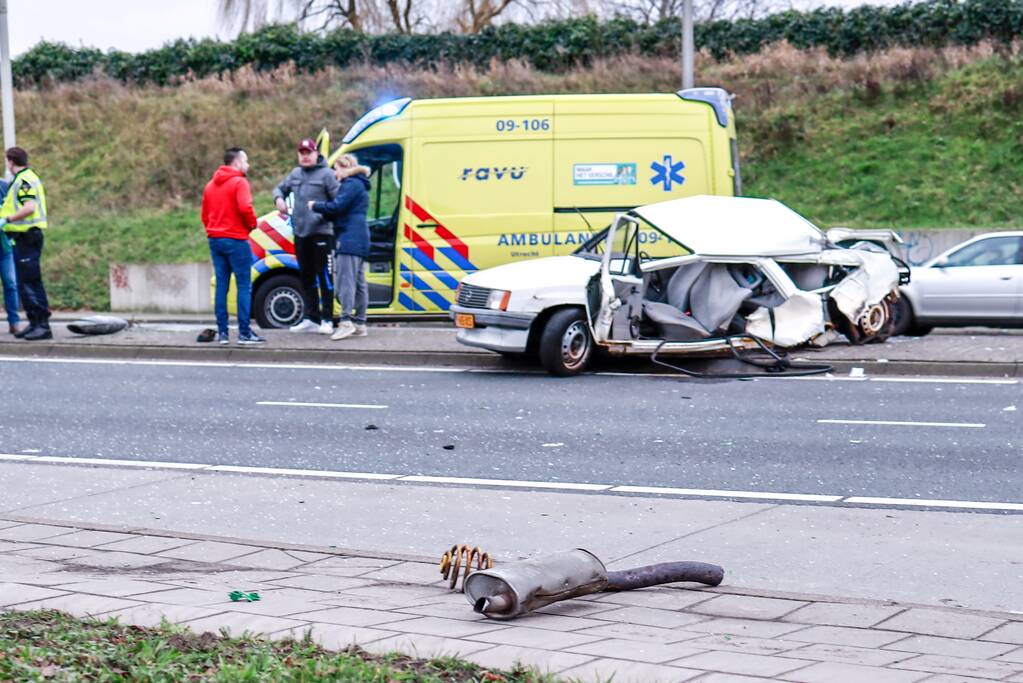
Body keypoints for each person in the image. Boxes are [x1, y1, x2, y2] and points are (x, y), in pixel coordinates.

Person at [273, 138, 339, 335]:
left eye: (308, 152)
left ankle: (327, 318)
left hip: (322, 234)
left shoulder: (327, 174)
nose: (305, 156)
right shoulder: (295, 173)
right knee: (306, 277)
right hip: (301, 234)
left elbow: (339, 202)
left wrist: (322, 214)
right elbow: (279, 188)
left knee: (324, 277)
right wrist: (278, 198)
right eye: (302, 152)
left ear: (316, 153)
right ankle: (311, 317)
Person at [201, 147, 265, 345]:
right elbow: (245, 207)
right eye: (245, 161)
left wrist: (213, 229)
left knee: (222, 285)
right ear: (236, 162)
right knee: (244, 285)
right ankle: (244, 333)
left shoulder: (210, 185)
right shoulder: (239, 182)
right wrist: (253, 224)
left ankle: (223, 333)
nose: (248, 165)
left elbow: (204, 214)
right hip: (236, 239)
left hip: (215, 239)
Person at [309, 154, 371, 341]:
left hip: (349, 237)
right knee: (360, 283)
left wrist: (316, 206)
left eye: (336, 169)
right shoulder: (360, 184)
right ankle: (360, 322)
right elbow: (342, 210)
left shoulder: (351, 184)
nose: (335, 173)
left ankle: (346, 322)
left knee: (346, 282)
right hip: (360, 236)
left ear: (345, 168)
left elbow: (337, 206)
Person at [0, 147, 50, 340]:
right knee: (24, 283)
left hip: (28, 237)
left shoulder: (24, 181)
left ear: (11, 162)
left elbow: (29, 208)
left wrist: (8, 219)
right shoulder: (24, 178)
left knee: (30, 282)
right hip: (22, 239)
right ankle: (34, 322)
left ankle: (42, 325)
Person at [0, 179, 23, 335]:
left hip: (4, 245)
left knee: (11, 283)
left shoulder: (5, 186)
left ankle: (14, 323)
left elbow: (16, 209)